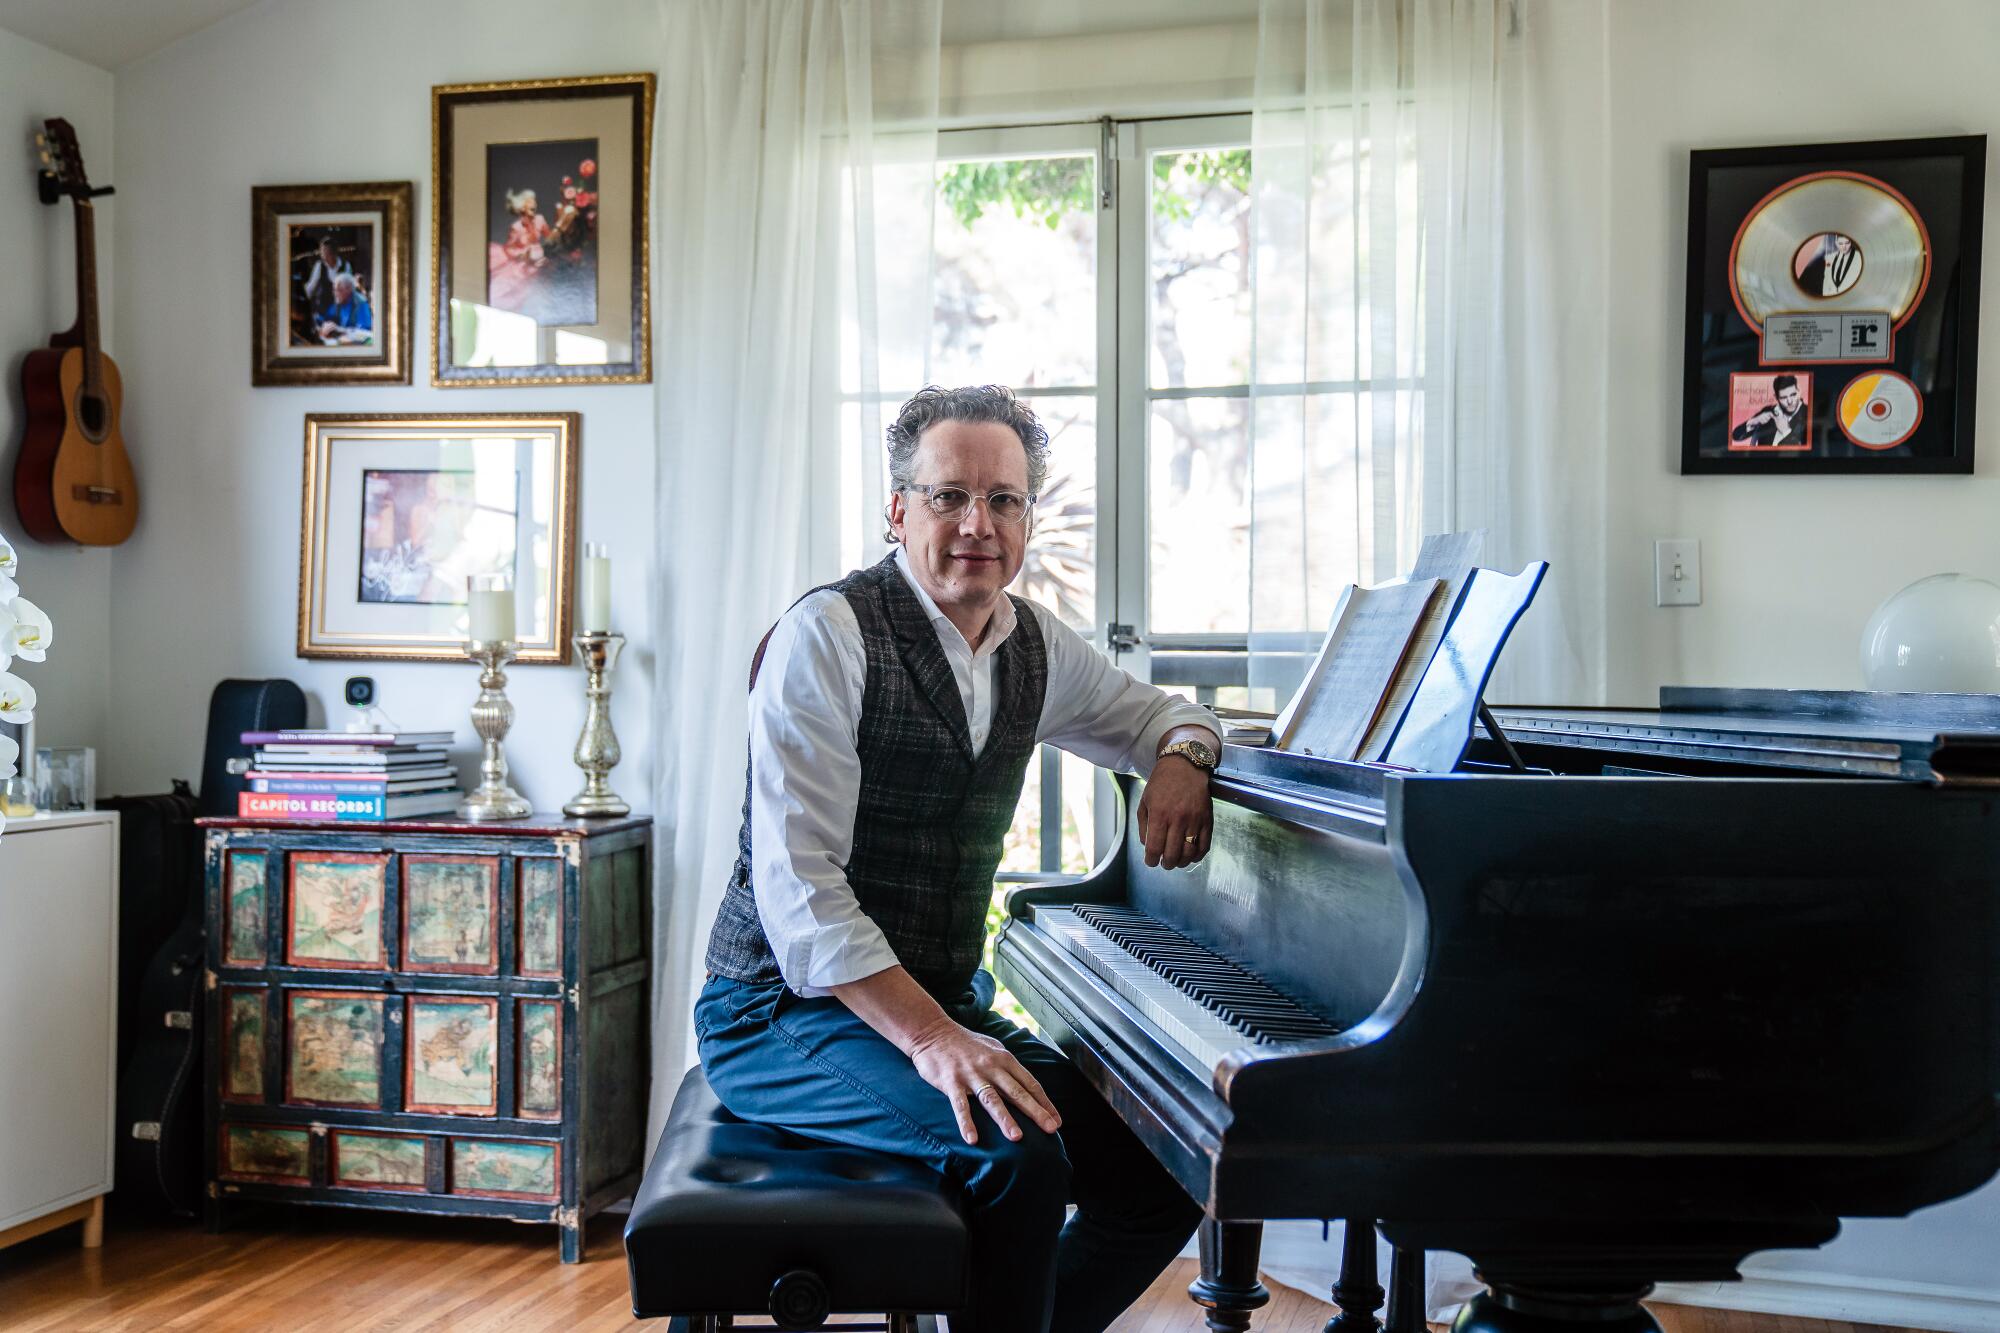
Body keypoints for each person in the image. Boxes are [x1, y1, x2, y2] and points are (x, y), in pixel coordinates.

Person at [697, 385, 1220, 1333]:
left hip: (934, 1002)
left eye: (1004, 500)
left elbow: (1161, 717)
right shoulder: (828, 636)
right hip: (778, 1012)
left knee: (1164, 1170)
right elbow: (803, 897)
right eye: (950, 496)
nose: (979, 524)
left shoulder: (1033, 645)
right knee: (1017, 1158)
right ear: (898, 510)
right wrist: (937, 1038)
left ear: (1028, 519)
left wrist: (1185, 755)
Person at [1733, 374, 1809, 447]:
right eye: (1783, 397)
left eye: (1793, 395)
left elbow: (1805, 452)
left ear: (1798, 391)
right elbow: (1736, 436)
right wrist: (1753, 421)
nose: (1789, 401)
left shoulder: (1808, 413)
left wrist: (1786, 431)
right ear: (1776, 397)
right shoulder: (1769, 411)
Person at [300, 234, 354, 319]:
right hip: (323, 311)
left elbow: (351, 291)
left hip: (342, 312)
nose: (323, 255)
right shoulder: (319, 266)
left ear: (334, 252)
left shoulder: (346, 266)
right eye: (322, 251)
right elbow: (310, 289)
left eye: (326, 252)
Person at [316, 271, 373, 344]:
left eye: (339, 290)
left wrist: (341, 330)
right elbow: (324, 319)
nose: (335, 294)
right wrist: (324, 326)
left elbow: (365, 332)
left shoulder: (361, 303)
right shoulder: (338, 302)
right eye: (334, 290)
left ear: (349, 289)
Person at [1798, 232, 1861, 299]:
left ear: (1851, 242)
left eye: (1847, 243)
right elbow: (1827, 280)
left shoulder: (1859, 257)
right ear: (1836, 243)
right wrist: (1826, 296)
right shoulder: (1829, 257)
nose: (1844, 247)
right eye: (1840, 243)